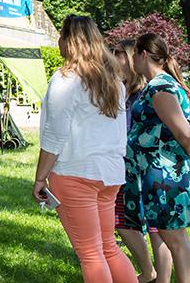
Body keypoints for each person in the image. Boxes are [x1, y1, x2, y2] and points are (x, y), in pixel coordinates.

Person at [33, 15, 138, 283]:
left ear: (70, 41)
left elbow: (54, 135)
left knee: (91, 254)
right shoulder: (113, 80)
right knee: (108, 248)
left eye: (61, 36)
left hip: (75, 172)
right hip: (109, 173)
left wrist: (40, 177)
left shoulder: (66, 78)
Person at [124, 33, 190, 283]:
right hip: (160, 175)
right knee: (174, 238)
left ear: (143, 54)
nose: (133, 62)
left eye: (134, 56)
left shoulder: (160, 87)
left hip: (165, 176)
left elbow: (186, 133)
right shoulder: (161, 84)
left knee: (176, 240)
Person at [113, 39, 173, 283]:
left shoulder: (148, 92)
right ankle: (149, 271)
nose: (112, 57)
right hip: (126, 165)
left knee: (158, 230)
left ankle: (161, 279)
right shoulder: (122, 90)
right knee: (122, 221)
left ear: (130, 57)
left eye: (117, 53)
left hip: (148, 168)